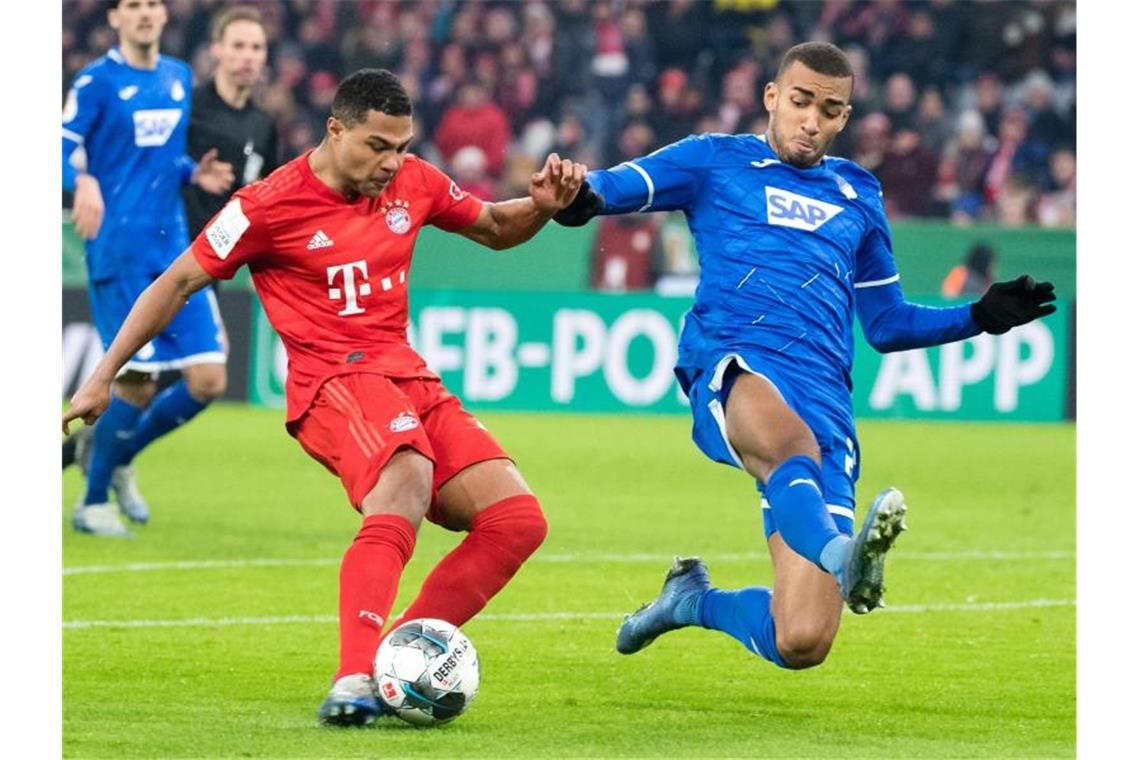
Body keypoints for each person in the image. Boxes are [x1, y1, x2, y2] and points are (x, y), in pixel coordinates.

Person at [63, 69, 585, 726]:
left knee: (517, 522)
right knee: (407, 480)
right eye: (376, 146)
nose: (391, 162)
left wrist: (541, 206)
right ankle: (352, 680)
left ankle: (398, 657)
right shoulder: (266, 205)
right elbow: (176, 282)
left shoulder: (414, 181)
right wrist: (104, 372)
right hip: (332, 383)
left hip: (408, 377)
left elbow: (492, 227)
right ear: (334, 130)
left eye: (401, 146)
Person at [553, 42, 1055, 670]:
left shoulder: (858, 193)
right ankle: (844, 555)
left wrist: (977, 317)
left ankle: (691, 601)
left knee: (801, 640)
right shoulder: (714, 160)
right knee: (791, 450)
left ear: (845, 117)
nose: (811, 119)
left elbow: (887, 323)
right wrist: (575, 194)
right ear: (771, 97)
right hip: (737, 362)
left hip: (826, 399)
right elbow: (607, 190)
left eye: (830, 109)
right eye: (799, 101)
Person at [62, 0, 235, 536]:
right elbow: (59, 151)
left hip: (174, 250)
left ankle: (115, 454)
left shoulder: (178, 76)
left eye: (152, 4)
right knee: (135, 383)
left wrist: (191, 172)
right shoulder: (95, 83)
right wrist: (81, 181)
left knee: (208, 378)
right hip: (119, 251)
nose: (144, 13)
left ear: (164, 16)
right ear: (114, 17)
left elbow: (155, 156)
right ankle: (91, 504)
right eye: (132, 5)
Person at [183, 4, 279, 240]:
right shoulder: (187, 107)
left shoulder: (264, 125)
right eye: (238, 45)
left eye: (256, 47)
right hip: (172, 249)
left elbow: (268, 194)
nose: (248, 56)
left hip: (221, 259)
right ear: (217, 50)